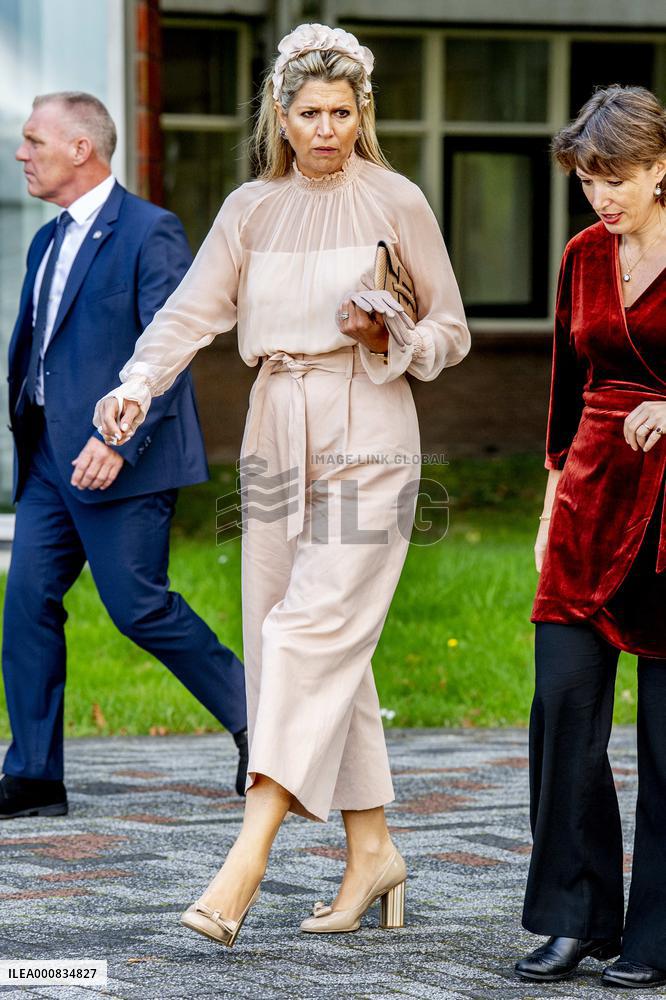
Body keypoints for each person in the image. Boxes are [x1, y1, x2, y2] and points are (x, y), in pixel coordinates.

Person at [96, 23, 469, 946]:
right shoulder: (249, 209)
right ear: (281, 113)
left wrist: (394, 337)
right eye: (310, 113)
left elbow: (450, 330)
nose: (328, 129)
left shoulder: (398, 199)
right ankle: (373, 849)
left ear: (363, 111)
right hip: (275, 426)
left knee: (313, 629)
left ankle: (247, 853)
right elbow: (190, 315)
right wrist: (135, 386)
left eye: (343, 112)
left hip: (371, 422)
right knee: (294, 643)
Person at [2, 92, 248, 821]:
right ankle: (36, 774)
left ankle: (259, 722)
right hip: (50, 458)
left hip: (121, 459)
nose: (22, 154)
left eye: (33, 141)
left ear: (82, 148)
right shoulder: (48, 240)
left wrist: (117, 440)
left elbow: (170, 350)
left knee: (139, 607)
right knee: (26, 606)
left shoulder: (150, 231)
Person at [515, 85, 666, 989]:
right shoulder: (582, 255)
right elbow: (567, 391)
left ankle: (656, 935)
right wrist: (547, 508)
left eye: (616, 178)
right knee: (563, 713)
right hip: (589, 500)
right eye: (588, 180)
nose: (601, 197)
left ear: (662, 169)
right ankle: (575, 918)